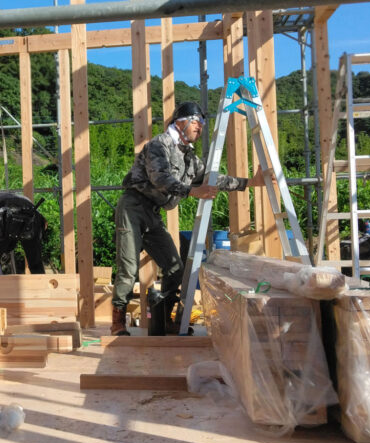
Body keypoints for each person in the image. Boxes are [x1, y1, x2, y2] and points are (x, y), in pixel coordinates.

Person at [111, 101, 261, 336]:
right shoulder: (159, 145)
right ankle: (118, 320)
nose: (200, 127)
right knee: (129, 267)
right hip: (133, 207)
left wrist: (250, 182)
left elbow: (212, 179)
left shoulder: (189, 157)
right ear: (180, 122)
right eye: (196, 122)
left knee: (174, 268)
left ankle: (165, 318)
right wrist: (193, 191)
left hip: (153, 212)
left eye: (202, 123)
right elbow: (160, 178)